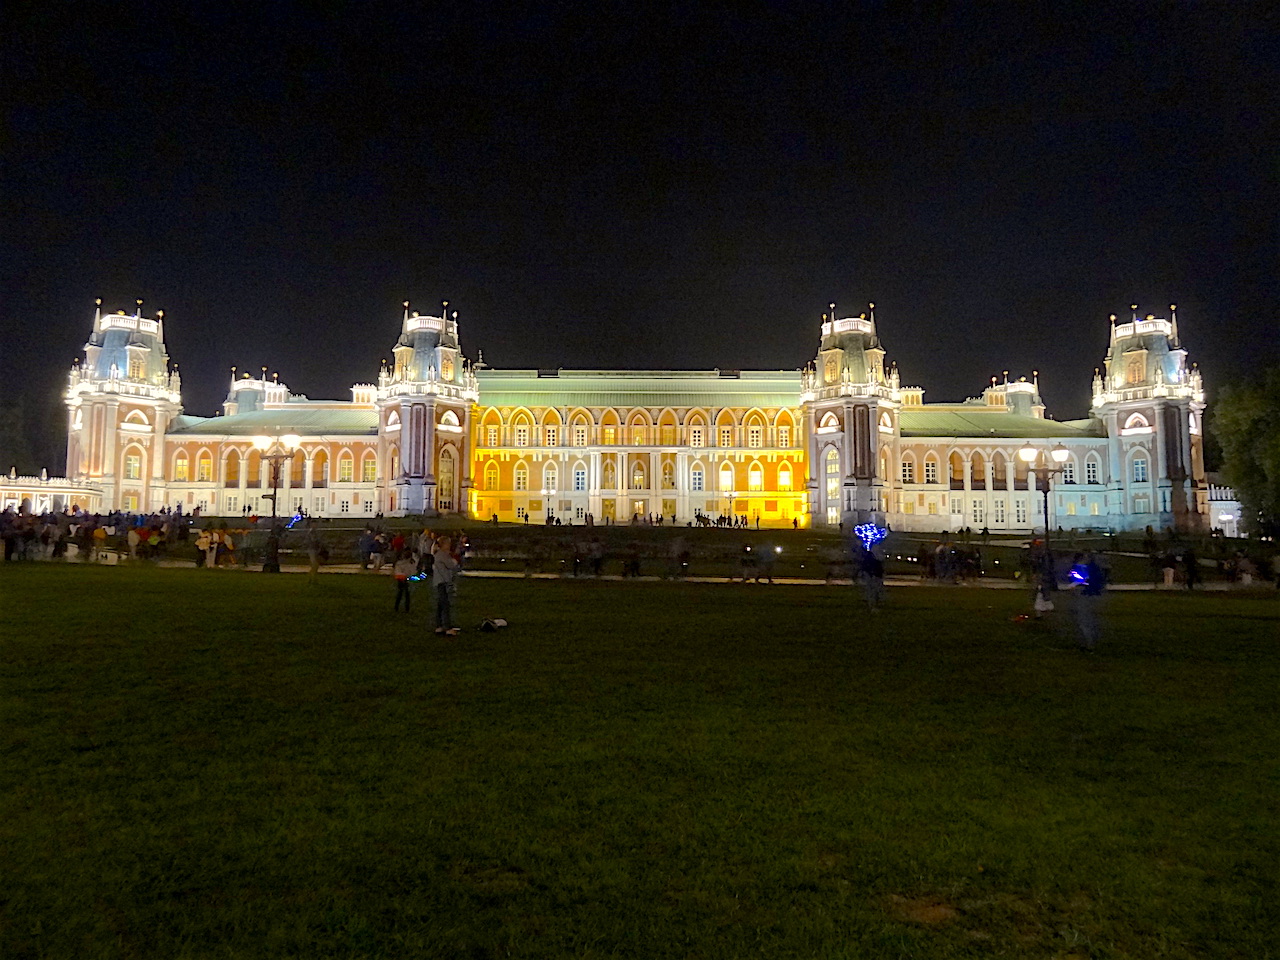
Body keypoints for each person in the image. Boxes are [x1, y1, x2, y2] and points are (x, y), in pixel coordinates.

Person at [1069, 551, 1107, 651]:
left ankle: (1089, 644)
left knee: (1084, 620)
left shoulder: (1086, 568)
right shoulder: (1093, 568)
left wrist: (1076, 586)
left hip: (1086, 595)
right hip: (1090, 595)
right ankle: (1090, 641)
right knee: (1088, 619)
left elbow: (1081, 580)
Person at [432, 536, 460, 636]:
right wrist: (454, 560)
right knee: (445, 605)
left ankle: (439, 626)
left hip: (439, 581)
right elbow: (452, 565)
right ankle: (447, 627)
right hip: (443, 581)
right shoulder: (443, 555)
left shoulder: (438, 554)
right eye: (448, 543)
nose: (449, 545)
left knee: (440, 605)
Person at [392, 549, 416, 613]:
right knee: (407, 594)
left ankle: (396, 607)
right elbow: (413, 573)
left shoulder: (399, 563)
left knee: (400, 593)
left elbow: (397, 572)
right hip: (407, 579)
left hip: (400, 579)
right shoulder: (411, 563)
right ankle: (407, 608)